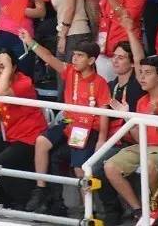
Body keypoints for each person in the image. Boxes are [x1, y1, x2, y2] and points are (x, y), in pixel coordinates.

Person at [20, 34, 111, 213]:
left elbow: (104, 113)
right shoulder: (69, 71)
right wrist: (31, 42)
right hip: (69, 123)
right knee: (41, 141)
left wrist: (101, 139)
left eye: (80, 56)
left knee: (79, 169)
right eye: (74, 54)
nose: (74, 59)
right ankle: (40, 189)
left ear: (91, 60)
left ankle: (89, 210)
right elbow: (48, 57)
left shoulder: (100, 83)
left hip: (86, 129)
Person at [103, 54, 158, 223]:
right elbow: (139, 138)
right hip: (145, 146)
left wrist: (157, 116)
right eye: (141, 72)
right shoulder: (142, 101)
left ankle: (156, 205)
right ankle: (138, 209)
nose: (142, 77)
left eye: (147, 73)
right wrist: (127, 118)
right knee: (110, 167)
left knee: (149, 163)